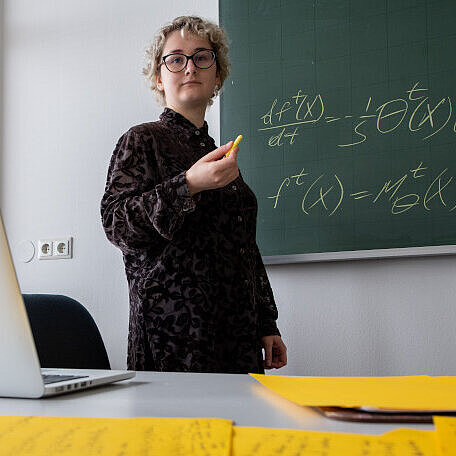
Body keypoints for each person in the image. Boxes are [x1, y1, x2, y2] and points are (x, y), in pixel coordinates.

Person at [100, 16, 287, 374]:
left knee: (242, 427)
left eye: (202, 57)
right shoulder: (142, 140)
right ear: (159, 76)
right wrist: (188, 184)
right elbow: (116, 225)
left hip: (236, 335)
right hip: (171, 337)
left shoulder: (219, 156)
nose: (190, 67)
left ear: (217, 75)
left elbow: (244, 247)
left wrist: (267, 323)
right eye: (176, 59)